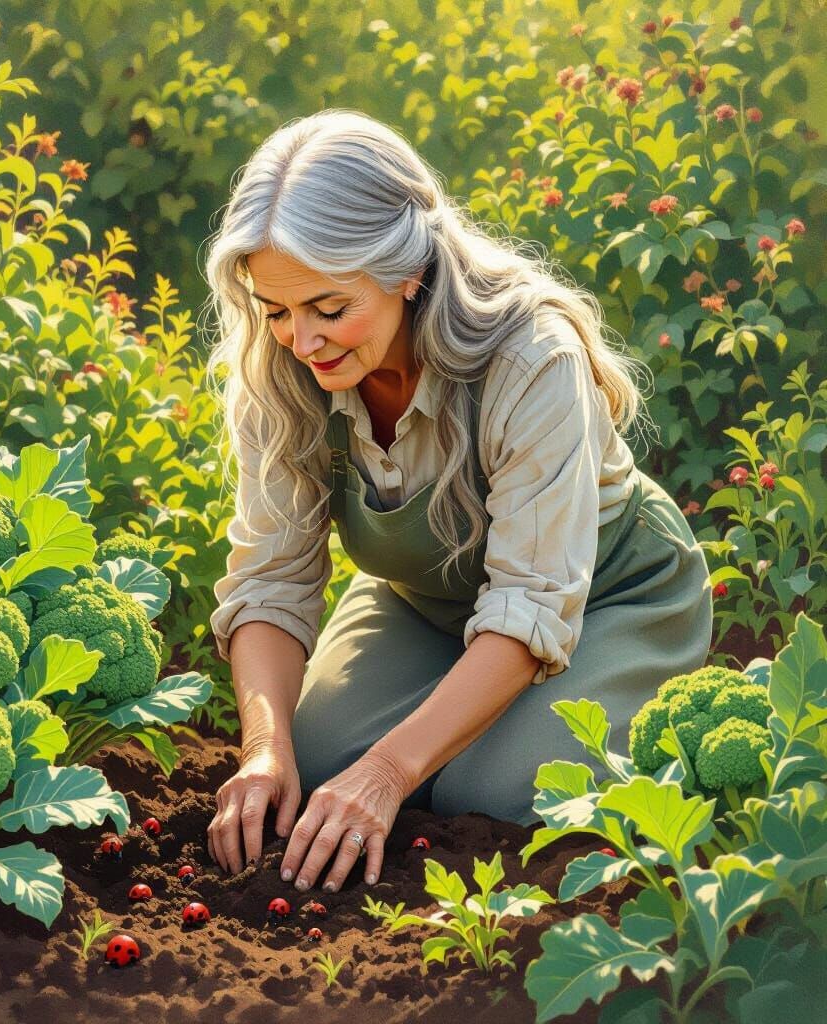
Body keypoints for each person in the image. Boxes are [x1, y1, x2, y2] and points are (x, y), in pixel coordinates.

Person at [200, 109, 713, 899]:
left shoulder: (529, 358)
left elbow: (529, 601)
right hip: (429, 601)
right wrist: (263, 749)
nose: (302, 342)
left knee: (500, 795)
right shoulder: (281, 374)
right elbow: (271, 581)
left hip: (604, 598)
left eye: (330, 309)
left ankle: (681, 714)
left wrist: (391, 770)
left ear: (407, 270)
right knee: (316, 757)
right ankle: (447, 730)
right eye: (276, 311)